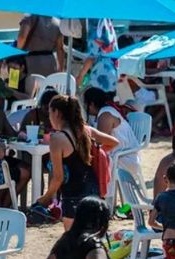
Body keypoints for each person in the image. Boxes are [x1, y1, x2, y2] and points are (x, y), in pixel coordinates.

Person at [37, 95, 119, 230]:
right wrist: (96, 152)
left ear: (57, 112)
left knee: (74, 242)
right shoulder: (86, 130)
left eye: (50, 112)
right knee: (91, 241)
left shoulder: (57, 139)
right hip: (94, 193)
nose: (49, 116)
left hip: (73, 197)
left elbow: (58, 178)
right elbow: (114, 142)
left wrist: (46, 198)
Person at [83, 87, 142, 182]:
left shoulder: (105, 115)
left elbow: (99, 143)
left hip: (125, 160)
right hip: (124, 156)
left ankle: (102, 195)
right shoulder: (105, 111)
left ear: (92, 104)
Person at [16, 15, 66, 83]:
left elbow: (22, 37)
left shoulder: (29, 16)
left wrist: (16, 54)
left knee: (18, 87)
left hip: (29, 62)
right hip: (50, 63)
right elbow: (60, 48)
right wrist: (61, 70)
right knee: (47, 90)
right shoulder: (58, 23)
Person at [77, 19, 119, 92]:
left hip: (100, 74)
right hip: (112, 74)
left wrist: (80, 76)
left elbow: (91, 58)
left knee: (98, 100)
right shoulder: (109, 27)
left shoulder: (95, 30)